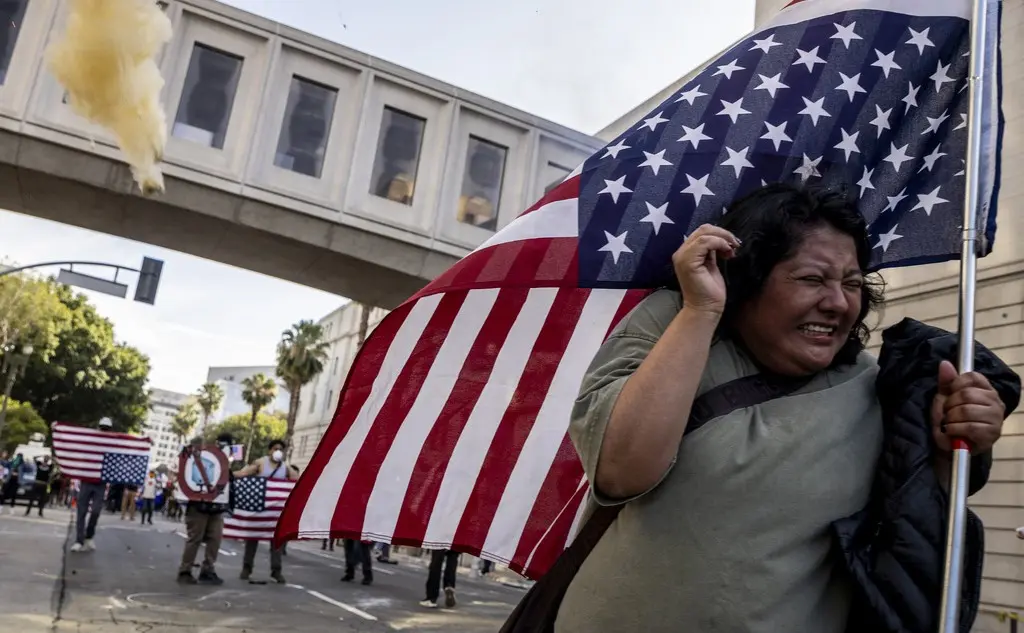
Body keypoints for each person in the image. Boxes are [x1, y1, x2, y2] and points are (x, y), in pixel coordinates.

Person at [552, 184, 1014, 633]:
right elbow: (622, 471)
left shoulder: (876, 390)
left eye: (852, 284)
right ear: (749, 278)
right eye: (811, 279)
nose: (837, 303)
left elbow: (916, 517)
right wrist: (701, 311)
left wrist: (960, 431)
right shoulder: (673, 321)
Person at [234, 439, 299, 584]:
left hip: (275, 513)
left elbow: (298, 480)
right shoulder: (261, 463)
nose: (278, 451)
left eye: (281, 449)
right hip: (259, 508)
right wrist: (229, 475)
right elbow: (244, 473)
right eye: (275, 448)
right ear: (270, 450)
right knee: (252, 539)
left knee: (276, 543)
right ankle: (246, 568)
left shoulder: (285, 468)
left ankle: (276, 571)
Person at [177, 436, 230, 585]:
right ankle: (185, 570)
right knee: (195, 539)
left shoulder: (219, 460)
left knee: (215, 539)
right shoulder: (190, 459)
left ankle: (208, 570)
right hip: (197, 506)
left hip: (217, 506)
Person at [71, 418, 117, 552]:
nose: (104, 431)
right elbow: (76, 440)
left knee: (96, 511)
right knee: (81, 511)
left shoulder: (112, 443)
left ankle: (89, 536)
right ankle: (79, 540)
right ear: (98, 427)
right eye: (102, 428)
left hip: (100, 483)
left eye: (106, 429)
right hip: (86, 480)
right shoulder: (90, 440)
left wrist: (145, 441)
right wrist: (57, 429)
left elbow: (126, 447)